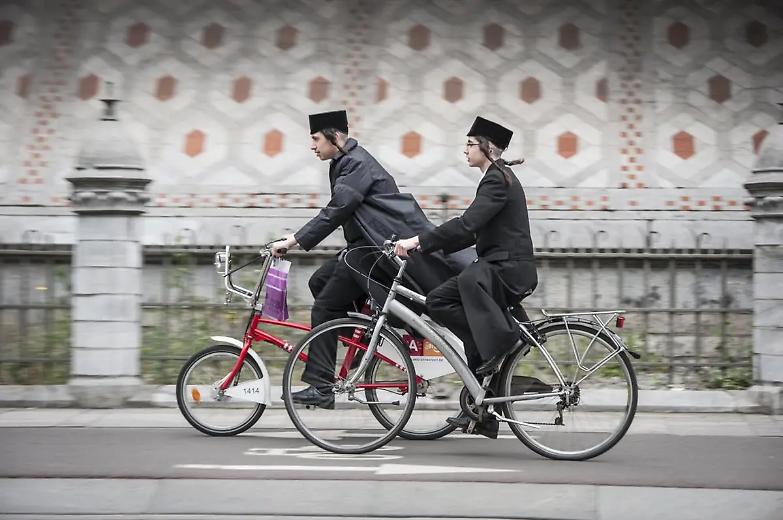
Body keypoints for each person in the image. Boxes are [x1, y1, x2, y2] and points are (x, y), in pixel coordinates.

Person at [269, 110, 473, 409]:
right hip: (364, 250)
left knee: (325, 306)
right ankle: (361, 340)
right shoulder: (345, 161)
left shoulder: (356, 164)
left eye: (315, 139)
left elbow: (337, 210)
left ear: (334, 137)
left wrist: (293, 241)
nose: (312, 146)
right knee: (319, 281)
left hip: (373, 253)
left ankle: (320, 385)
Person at [394, 116, 538, 438]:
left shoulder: (497, 180)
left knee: (463, 285)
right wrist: (428, 247)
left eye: (470, 144)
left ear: (487, 148)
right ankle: (481, 407)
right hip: (498, 266)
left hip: (506, 269)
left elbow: (467, 223)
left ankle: (503, 342)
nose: (465, 151)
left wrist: (418, 241)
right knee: (440, 301)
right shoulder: (497, 178)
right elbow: (469, 232)